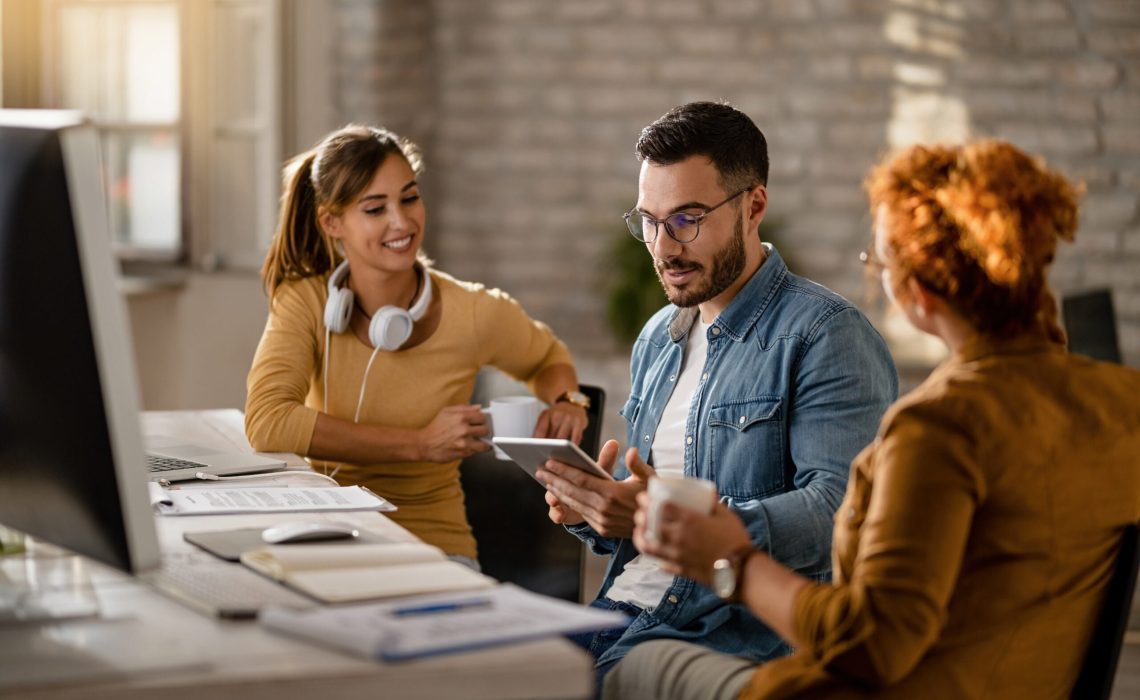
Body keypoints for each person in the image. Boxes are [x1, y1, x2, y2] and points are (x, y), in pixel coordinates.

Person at [606, 140, 1140, 700]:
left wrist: (731, 559)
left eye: (880, 262)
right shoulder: (1122, 402)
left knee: (629, 670)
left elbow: (869, 646)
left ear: (920, 292)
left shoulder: (938, 428)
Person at [534, 102, 898, 685]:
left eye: (688, 218)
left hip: (725, 631)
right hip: (622, 612)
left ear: (754, 206)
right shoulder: (658, 336)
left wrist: (678, 520)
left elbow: (843, 510)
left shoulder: (825, 334)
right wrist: (600, 510)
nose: (663, 247)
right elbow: (645, 516)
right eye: (650, 221)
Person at [245, 125, 589, 567]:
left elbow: (547, 357)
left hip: (434, 544)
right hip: (326, 533)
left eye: (409, 198)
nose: (402, 222)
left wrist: (568, 400)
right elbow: (269, 421)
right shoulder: (306, 301)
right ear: (332, 222)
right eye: (375, 208)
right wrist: (418, 444)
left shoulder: (475, 312)